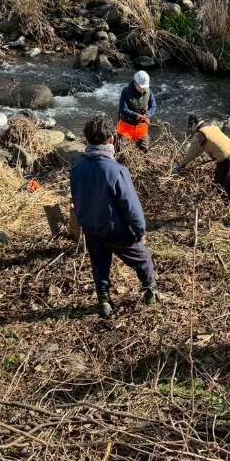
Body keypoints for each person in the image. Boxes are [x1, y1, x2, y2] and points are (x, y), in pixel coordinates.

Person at [71, 116, 160, 318]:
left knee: (100, 264)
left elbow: (76, 198)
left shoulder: (77, 168)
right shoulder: (117, 170)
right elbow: (131, 206)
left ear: (87, 140)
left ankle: (104, 301)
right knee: (143, 258)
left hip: (91, 228)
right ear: (111, 140)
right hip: (115, 230)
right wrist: (140, 231)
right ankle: (151, 292)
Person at [173, 114, 230, 195]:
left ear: (193, 123)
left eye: (190, 126)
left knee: (219, 185)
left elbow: (191, 154)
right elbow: (200, 150)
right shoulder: (212, 127)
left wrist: (180, 165)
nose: (191, 129)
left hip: (226, 160)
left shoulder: (199, 134)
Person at [116, 70, 157, 152]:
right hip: (126, 128)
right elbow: (122, 109)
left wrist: (148, 114)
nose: (142, 89)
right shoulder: (126, 91)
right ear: (135, 83)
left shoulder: (149, 92)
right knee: (122, 151)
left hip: (142, 128)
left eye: (144, 87)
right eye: (141, 87)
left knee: (144, 150)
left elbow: (153, 106)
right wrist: (136, 115)